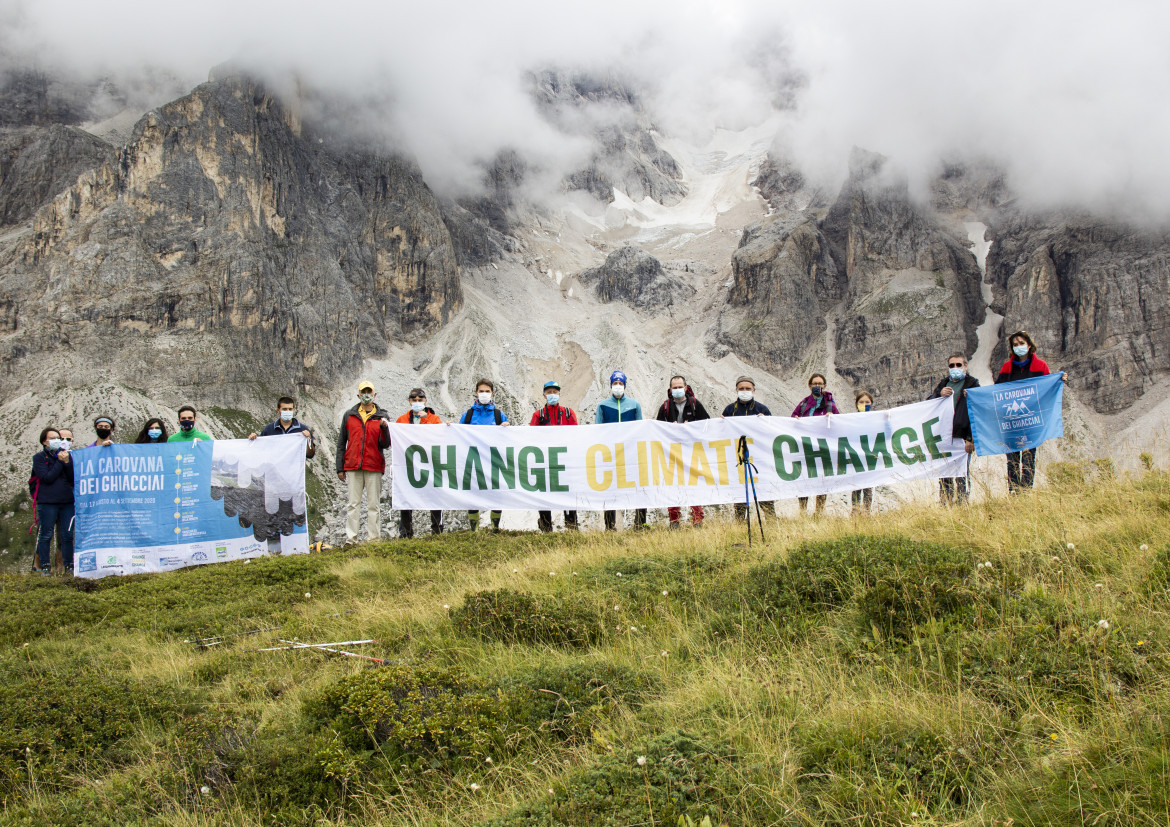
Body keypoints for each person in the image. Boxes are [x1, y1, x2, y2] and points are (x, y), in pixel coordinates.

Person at [995, 331, 1066, 493]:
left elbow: (1048, 387)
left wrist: (1060, 380)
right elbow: (997, 391)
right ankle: (1013, 491)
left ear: (1029, 344)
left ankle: (1026, 491)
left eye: (1021, 343)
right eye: (1015, 344)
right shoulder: (1007, 368)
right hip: (1011, 421)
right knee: (1012, 459)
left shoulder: (1041, 366)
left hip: (1030, 421)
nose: (1018, 347)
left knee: (1028, 458)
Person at [336, 380, 392, 542]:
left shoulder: (382, 416)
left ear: (375, 395)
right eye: (363, 392)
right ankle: (351, 538)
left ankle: (373, 539)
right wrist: (340, 467)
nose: (366, 395)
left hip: (373, 465)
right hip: (353, 465)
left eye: (369, 392)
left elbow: (386, 443)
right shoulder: (349, 415)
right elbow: (341, 442)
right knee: (353, 504)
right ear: (358, 395)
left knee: (373, 505)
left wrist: (383, 428)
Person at [656, 375, 710, 528]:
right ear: (670, 389)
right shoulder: (665, 407)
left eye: (680, 387)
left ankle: (697, 519)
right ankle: (674, 521)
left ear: (686, 388)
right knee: (673, 485)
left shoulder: (694, 404)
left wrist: (691, 427)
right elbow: (658, 430)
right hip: (672, 454)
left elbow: (706, 424)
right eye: (675, 387)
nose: (678, 390)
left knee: (693, 484)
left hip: (692, 452)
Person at [596, 370, 646, 531]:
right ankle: (610, 527)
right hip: (610, 454)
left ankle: (640, 523)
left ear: (625, 385)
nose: (618, 386)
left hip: (630, 453)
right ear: (610, 385)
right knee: (610, 489)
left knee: (639, 486)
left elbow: (640, 428)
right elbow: (598, 430)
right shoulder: (602, 405)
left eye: (620, 383)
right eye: (615, 383)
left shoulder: (634, 404)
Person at [721, 376, 776, 522]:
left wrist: (764, 420)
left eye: (747, 389)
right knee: (740, 490)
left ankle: (770, 519)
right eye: (741, 389)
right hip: (737, 458)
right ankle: (740, 521)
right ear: (736, 390)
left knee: (763, 489)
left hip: (759, 457)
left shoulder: (762, 409)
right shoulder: (730, 410)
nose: (744, 391)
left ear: (754, 390)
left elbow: (771, 430)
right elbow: (722, 434)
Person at [460, 378, 510, 532]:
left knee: (496, 494)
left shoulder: (498, 415)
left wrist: (507, 427)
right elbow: (458, 436)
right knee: (472, 495)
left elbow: (507, 439)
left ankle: (495, 528)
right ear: (476, 393)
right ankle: (474, 529)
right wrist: (450, 428)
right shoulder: (467, 415)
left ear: (492, 393)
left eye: (487, 391)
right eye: (481, 391)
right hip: (473, 461)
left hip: (493, 461)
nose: (484, 394)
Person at [928, 354, 979, 504]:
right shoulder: (943, 383)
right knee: (945, 473)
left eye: (958, 365)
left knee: (962, 473)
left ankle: (963, 504)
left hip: (962, 437)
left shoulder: (972, 384)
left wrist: (971, 439)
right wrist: (939, 393)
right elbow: (929, 404)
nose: (955, 368)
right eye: (952, 365)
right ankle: (946, 503)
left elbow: (977, 412)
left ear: (965, 366)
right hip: (944, 437)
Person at [530, 380, 579, 533]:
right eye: (549, 392)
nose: (552, 395)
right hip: (544, 461)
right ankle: (546, 527)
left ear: (559, 394)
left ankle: (571, 525)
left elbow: (575, 435)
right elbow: (531, 436)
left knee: (568, 494)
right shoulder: (538, 415)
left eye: (555, 392)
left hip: (565, 462)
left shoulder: (568, 413)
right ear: (544, 395)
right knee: (544, 494)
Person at [396, 387, 444, 538]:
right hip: (409, 465)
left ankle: (437, 531)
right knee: (405, 497)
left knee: (434, 496)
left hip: (430, 464)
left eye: (420, 400)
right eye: (414, 400)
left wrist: (425, 419)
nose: (417, 403)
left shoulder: (434, 419)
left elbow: (440, 436)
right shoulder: (401, 420)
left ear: (425, 401)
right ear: (409, 401)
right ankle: (406, 533)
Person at [791, 373, 839, 514]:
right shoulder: (804, 403)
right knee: (804, 478)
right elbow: (792, 418)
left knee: (822, 480)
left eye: (820, 384)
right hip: (805, 447)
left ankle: (818, 512)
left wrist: (832, 417)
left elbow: (839, 422)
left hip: (823, 447)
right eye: (814, 384)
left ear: (824, 386)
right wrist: (796, 419)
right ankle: (803, 511)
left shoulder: (830, 404)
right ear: (809, 386)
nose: (817, 386)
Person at [30, 427, 74, 575]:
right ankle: (45, 566)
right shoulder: (39, 458)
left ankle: (69, 566)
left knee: (67, 535)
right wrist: (61, 462)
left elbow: (72, 478)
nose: (57, 441)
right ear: (44, 441)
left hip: (67, 501)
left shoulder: (66, 456)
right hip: (47, 502)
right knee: (46, 534)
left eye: (58, 438)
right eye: (53, 438)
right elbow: (47, 477)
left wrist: (67, 463)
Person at [248, 396, 316, 458]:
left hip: (294, 470)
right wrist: (253, 440)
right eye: (284, 409)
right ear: (278, 410)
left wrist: (309, 438)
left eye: (290, 409)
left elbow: (310, 455)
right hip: (274, 470)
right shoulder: (269, 429)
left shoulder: (302, 429)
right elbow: (259, 450)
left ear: (293, 410)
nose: (288, 411)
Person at [850, 391, 876, 514]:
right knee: (855, 486)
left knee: (868, 486)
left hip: (870, 457)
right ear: (856, 404)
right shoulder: (850, 420)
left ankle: (866, 512)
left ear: (871, 403)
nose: (864, 404)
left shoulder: (876, 419)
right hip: (856, 458)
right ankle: (855, 511)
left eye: (867, 402)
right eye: (861, 402)